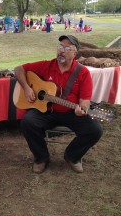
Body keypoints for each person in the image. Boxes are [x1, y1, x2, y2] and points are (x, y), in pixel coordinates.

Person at [14, 34, 102, 174]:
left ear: (75, 53)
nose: (62, 50)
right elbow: (18, 69)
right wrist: (26, 88)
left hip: (71, 113)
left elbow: (84, 101)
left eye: (67, 48)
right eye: (60, 46)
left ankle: (72, 156)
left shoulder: (83, 72)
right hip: (47, 111)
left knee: (95, 130)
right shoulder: (47, 65)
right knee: (27, 122)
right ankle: (41, 158)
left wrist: (82, 109)